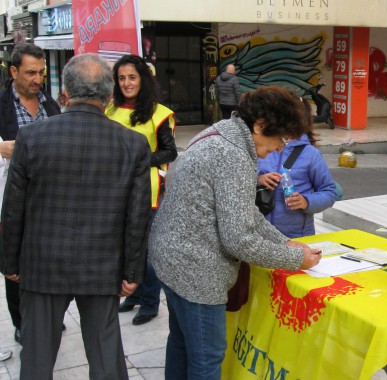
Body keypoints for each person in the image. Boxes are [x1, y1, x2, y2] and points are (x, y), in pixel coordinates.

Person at [149, 86, 322, 380]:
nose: (281, 148)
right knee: (207, 357)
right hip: (196, 273)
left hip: (171, 258)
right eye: (280, 139)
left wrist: (283, 241)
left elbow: (243, 211)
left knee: (182, 344)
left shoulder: (220, 133)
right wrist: (294, 258)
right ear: (259, 125)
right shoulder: (233, 155)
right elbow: (239, 239)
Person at [1, 53, 151, 379]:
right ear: (110, 95)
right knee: (106, 355)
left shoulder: (31, 137)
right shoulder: (133, 144)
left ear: (65, 93)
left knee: (37, 359)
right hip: (103, 266)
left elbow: (13, 208)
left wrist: (10, 263)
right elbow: (137, 217)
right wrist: (133, 270)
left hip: (41, 264)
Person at [106, 54, 177, 326]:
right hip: (115, 191)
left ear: (143, 80)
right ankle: (133, 295)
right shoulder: (108, 111)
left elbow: (170, 152)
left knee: (146, 251)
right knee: (126, 246)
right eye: (121, 78)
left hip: (148, 192)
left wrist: (137, 160)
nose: (126, 83)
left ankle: (149, 302)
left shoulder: (159, 113)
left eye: (132, 77)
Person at [0, 42, 61, 346]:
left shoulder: (50, 104)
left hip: (49, 199)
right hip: (11, 199)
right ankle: (21, 322)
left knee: (49, 258)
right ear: (13, 72)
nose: (37, 79)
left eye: (41, 72)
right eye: (30, 73)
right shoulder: (1, 105)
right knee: (15, 263)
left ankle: (50, 315)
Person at [257, 98, 338, 237]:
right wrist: (259, 179)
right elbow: (240, 178)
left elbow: (330, 192)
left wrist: (306, 201)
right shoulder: (262, 145)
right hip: (260, 234)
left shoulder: (311, 154)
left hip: (296, 235)